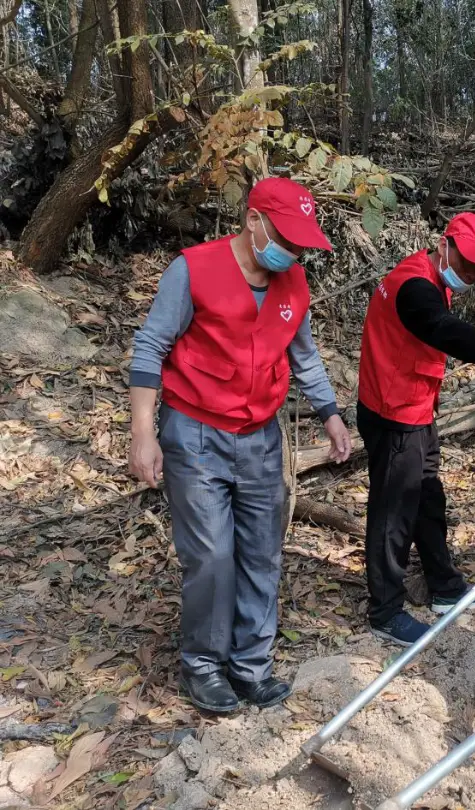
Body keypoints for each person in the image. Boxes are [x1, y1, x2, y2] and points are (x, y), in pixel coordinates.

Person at [128, 177, 352, 714]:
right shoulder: (193, 270)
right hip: (195, 431)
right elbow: (151, 345)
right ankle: (204, 665)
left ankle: (251, 666)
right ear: (254, 221)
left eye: (301, 244)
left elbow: (304, 356)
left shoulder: (293, 283)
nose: (293, 252)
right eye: (285, 238)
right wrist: (142, 433)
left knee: (261, 551)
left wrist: (331, 413)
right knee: (210, 556)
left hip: (260, 437)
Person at [356, 212, 475, 646]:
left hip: (415, 411)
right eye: (466, 265)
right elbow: (440, 328)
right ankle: (385, 610)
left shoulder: (432, 278)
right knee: (393, 512)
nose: (471, 275)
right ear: (444, 246)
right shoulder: (414, 285)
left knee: (428, 497)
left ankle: (444, 586)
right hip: (393, 415)